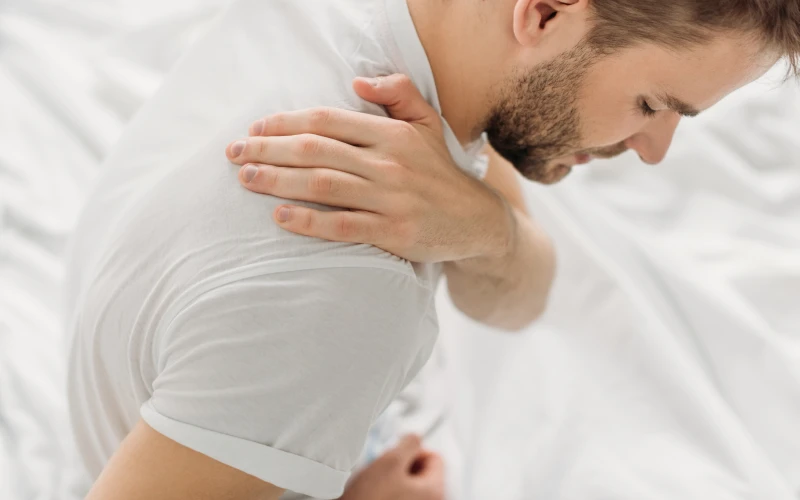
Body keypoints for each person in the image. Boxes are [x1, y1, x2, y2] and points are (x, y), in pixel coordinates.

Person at [63, 0, 799, 499]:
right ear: (543, 13)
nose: (654, 150)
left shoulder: (422, 40)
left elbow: (521, 291)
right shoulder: (345, 293)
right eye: (653, 104)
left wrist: (488, 225)